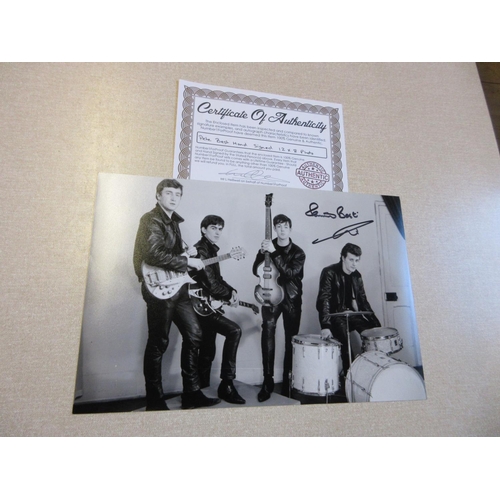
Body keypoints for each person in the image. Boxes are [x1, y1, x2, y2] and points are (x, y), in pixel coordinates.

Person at [133, 179, 221, 411]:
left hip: (177, 286)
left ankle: (191, 393)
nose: (173, 198)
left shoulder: (173, 221)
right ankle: (155, 400)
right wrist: (187, 260)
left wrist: (186, 251)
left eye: (177, 194)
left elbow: (169, 252)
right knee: (159, 342)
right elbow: (153, 254)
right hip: (159, 289)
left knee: (194, 334)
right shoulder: (151, 219)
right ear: (158, 196)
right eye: (168, 193)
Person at [191, 215, 246, 404]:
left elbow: (217, 280)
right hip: (199, 307)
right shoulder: (201, 251)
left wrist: (232, 291)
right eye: (213, 227)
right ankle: (227, 385)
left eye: (220, 229)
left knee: (207, 349)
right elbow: (212, 285)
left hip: (204, 307)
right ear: (203, 229)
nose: (217, 232)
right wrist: (227, 295)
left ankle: (202, 389)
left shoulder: (210, 250)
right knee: (234, 330)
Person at [252, 214, 305, 401]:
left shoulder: (298, 253)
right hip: (270, 295)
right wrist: (261, 253)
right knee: (267, 333)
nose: (282, 230)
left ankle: (288, 381)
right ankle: (268, 381)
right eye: (278, 227)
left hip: (291, 299)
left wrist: (274, 252)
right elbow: (255, 270)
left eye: (285, 227)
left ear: (290, 229)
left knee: (291, 339)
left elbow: (290, 273)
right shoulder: (268, 246)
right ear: (274, 228)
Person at [316, 242, 381, 380]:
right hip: (334, 316)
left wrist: (377, 326)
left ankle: (371, 376)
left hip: (351, 314)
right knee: (347, 347)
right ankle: (350, 379)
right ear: (343, 257)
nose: (354, 264)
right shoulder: (329, 272)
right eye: (351, 259)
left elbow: (363, 302)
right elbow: (324, 300)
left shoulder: (357, 276)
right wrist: (325, 326)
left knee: (373, 337)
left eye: (357, 260)